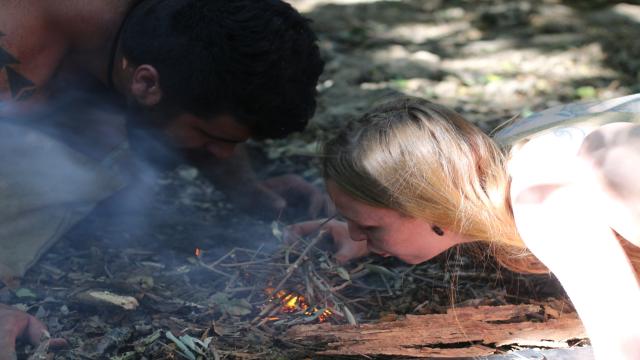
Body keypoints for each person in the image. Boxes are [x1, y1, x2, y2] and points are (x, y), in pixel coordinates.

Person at [0, 0, 324, 357]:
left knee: (112, 143)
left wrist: (246, 189)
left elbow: (208, 92)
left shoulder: (191, 22)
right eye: (212, 137)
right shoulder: (17, 40)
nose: (224, 153)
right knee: (62, 172)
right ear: (146, 82)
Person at [288, 95, 640, 359]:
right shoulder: (505, 152)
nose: (353, 235)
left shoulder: (542, 196)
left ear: (426, 204)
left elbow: (627, 342)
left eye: (365, 225)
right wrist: (376, 233)